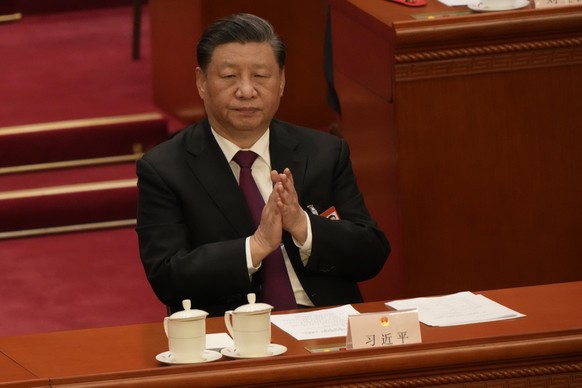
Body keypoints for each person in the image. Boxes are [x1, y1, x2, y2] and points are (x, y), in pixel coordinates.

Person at [136, 13, 390, 317]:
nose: (246, 90)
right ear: (201, 82)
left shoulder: (322, 151)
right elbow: (167, 276)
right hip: (233, 337)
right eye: (229, 76)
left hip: (326, 326)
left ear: (281, 81)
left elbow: (371, 254)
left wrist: (303, 226)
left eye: (260, 76)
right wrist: (254, 247)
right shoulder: (164, 168)